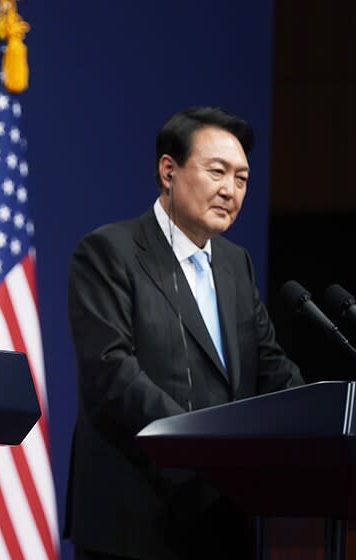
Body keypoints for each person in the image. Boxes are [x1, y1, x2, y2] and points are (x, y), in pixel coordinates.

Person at [64, 107, 303, 560]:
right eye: (217, 171)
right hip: (134, 522)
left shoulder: (236, 264)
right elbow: (112, 375)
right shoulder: (108, 253)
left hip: (222, 522)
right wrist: (204, 451)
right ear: (168, 171)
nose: (230, 190)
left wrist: (327, 421)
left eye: (243, 179)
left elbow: (272, 370)